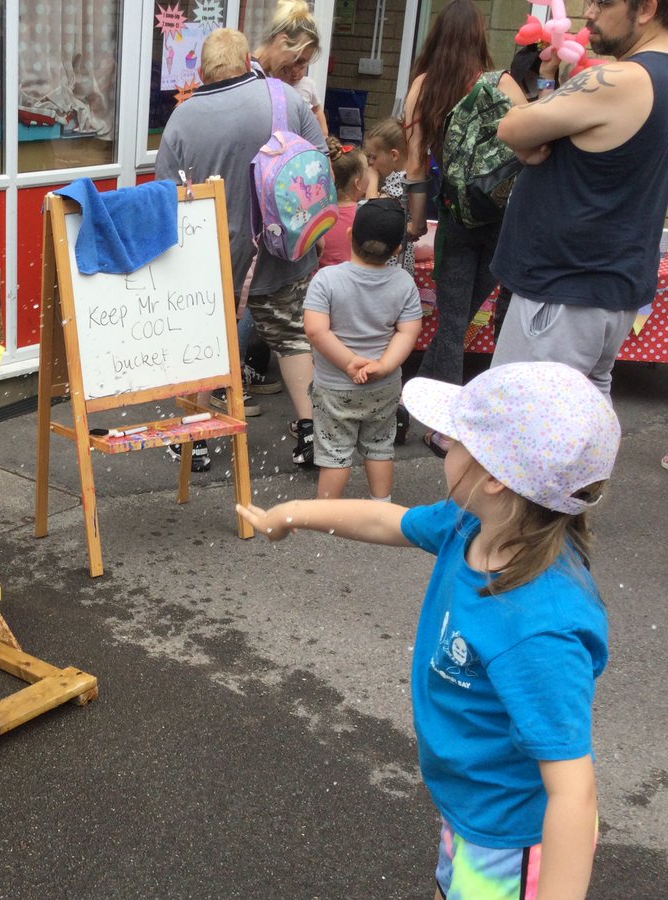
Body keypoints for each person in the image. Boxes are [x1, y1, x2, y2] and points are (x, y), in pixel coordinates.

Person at [237, 361, 619, 900]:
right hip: (473, 808)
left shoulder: (538, 629)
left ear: (494, 478)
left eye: (452, 440)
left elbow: (574, 795)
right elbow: (386, 520)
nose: (440, 443)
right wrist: (295, 512)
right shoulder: (472, 525)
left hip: (513, 838)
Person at [155, 27, 325, 470]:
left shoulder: (183, 118)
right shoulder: (286, 100)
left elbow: (165, 194)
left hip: (212, 256)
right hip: (281, 249)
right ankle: (310, 433)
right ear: (247, 57)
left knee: (206, 342)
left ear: (201, 70)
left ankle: (194, 441)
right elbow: (318, 164)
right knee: (291, 338)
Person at [490, 0, 668, 398]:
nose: (587, 13)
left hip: (563, 293)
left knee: (520, 436)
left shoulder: (623, 79)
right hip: (614, 289)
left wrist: (525, 130)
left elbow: (513, 126)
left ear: (646, 9)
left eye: (603, 2)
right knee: (579, 437)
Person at [401, 0, 527, 457]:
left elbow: (415, 163)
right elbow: (531, 146)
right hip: (502, 217)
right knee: (468, 315)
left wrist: (417, 220)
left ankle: (434, 416)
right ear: (478, 36)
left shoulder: (424, 86)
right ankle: (429, 406)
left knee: (453, 320)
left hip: (454, 216)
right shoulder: (505, 83)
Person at [304, 198, 421, 501]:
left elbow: (316, 330)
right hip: (383, 384)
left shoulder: (327, 279)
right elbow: (408, 332)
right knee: (380, 445)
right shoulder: (404, 282)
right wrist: (382, 365)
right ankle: (381, 505)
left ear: (348, 234)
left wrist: (349, 362)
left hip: (335, 386)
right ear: (398, 249)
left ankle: (325, 511)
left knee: (335, 451)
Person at [252, 0, 328, 136]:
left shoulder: (265, 78)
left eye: (303, 65)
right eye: (297, 60)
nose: (297, 70)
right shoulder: (249, 77)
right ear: (282, 41)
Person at [363, 117, 416, 276]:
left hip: (392, 261)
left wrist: (372, 180)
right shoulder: (403, 178)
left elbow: (373, 210)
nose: (370, 163)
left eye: (374, 157)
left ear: (393, 155)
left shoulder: (401, 181)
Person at [317, 138, 368, 269]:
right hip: (353, 284)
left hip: (319, 284)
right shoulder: (364, 214)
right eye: (367, 171)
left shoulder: (316, 212)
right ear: (357, 183)